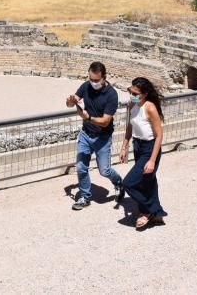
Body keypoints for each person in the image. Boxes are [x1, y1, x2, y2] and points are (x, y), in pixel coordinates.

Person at [66, 61, 124, 211]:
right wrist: (70, 101)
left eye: (96, 80)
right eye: (91, 79)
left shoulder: (111, 95)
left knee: (105, 171)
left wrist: (88, 118)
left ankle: (119, 183)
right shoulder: (86, 86)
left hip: (102, 138)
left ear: (104, 78)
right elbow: (71, 104)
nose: (93, 83)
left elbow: (105, 122)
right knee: (80, 167)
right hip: (86, 134)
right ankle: (85, 196)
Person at [119, 77, 168, 229]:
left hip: (150, 148)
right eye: (130, 91)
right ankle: (155, 213)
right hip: (137, 146)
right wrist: (124, 146)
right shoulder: (132, 104)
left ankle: (148, 211)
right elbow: (130, 126)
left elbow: (159, 135)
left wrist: (152, 160)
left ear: (145, 94)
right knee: (148, 181)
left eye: (136, 93)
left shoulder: (150, 108)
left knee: (128, 183)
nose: (132, 95)